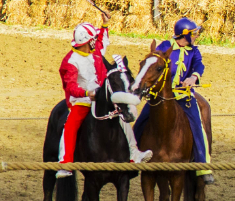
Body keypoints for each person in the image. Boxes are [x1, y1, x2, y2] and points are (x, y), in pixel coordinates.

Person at [56, 14, 152, 179]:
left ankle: (134, 154)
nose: (96, 40)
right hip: (83, 101)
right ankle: (65, 164)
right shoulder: (70, 61)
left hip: (103, 98)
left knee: (122, 118)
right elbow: (71, 87)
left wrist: (105, 24)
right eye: (93, 38)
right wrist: (87, 93)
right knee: (70, 125)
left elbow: (102, 40)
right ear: (87, 41)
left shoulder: (95, 50)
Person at [134, 18, 216, 184]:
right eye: (193, 34)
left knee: (198, 126)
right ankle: (131, 157)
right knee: (140, 123)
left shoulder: (194, 51)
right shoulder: (164, 46)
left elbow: (199, 65)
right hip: (161, 96)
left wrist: (193, 77)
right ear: (184, 35)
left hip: (183, 96)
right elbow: (154, 62)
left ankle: (202, 165)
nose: (195, 37)